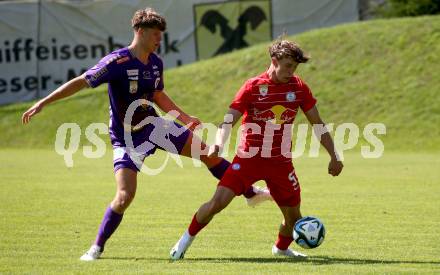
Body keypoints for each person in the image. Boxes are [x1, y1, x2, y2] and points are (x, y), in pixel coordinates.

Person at [21, 7, 272, 261]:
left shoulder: (155, 63)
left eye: (161, 36)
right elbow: (81, 81)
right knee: (124, 197)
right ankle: (96, 248)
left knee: (208, 153)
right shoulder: (116, 62)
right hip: (127, 139)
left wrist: (184, 118)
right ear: (140, 32)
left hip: (156, 127)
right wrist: (44, 102)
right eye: (155, 35)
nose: (159, 40)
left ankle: (250, 193)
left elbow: (158, 95)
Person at [170, 39, 344, 260]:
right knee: (218, 203)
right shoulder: (253, 87)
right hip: (248, 158)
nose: (292, 71)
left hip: (281, 162)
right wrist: (218, 143)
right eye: (288, 65)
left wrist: (334, 156)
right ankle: (183, 243)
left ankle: (281, 249)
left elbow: (318, 124)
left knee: (293, 218)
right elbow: (228, 120)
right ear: (274, 61)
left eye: (295, 67)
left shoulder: (298, 88)